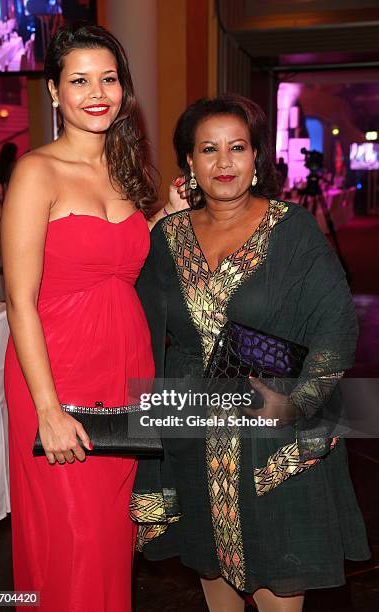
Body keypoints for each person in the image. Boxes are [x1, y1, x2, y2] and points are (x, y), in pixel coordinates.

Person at [131, 95, 370, 612]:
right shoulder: (166, 239)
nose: (223, 163)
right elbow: (139, 327)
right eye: (208, 150)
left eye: (237, 148)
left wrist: (299, 402)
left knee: (278, 592)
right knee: (214, 582)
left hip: (273, 439)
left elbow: (336, 325)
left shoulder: (293, 230)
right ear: (188, 164)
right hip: (192, 432)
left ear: (256, 158)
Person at [2, 23, 156, 612]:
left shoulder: (128, 175)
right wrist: (48, 409)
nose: (98, 92)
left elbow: (125, 270)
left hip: (125, 374)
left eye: (109, 79)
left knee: (117, 540)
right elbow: (20, 299)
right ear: (53, 91)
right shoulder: (36, 172)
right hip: (57, 380)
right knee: (76, 540)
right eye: (80, 80)